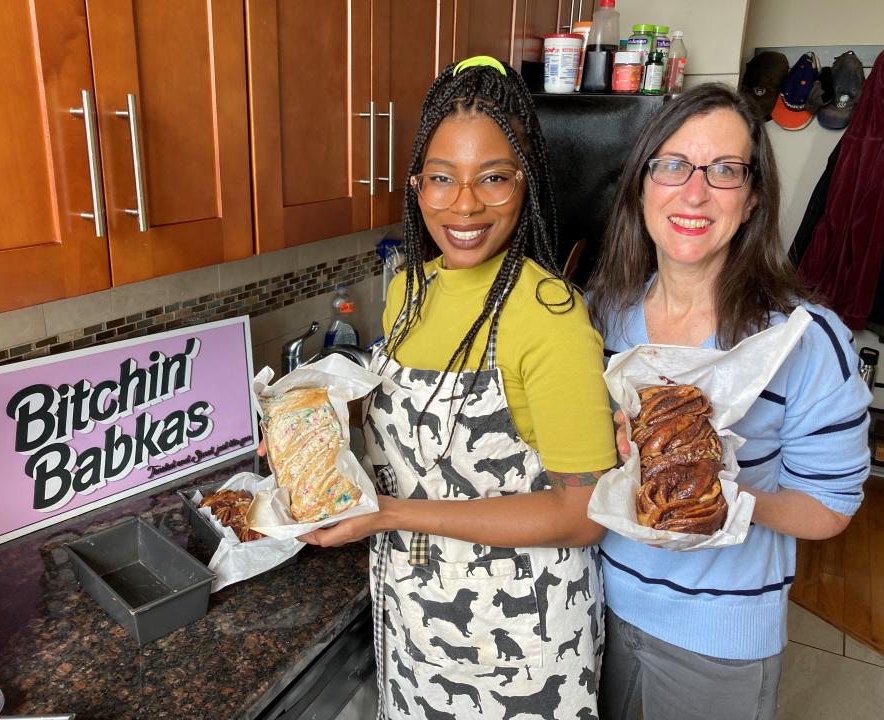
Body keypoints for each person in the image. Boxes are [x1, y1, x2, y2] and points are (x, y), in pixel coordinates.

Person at [300, 57, 616, 718]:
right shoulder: (410, 290)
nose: (464, 204)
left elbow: (583, 516)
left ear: (524, 186)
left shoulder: (549, 315)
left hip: (523, 647)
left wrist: (388, 515)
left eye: (493, 179)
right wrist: (314, 431)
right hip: (413, 617)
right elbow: (409, 431)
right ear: (417, 185)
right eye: (442, 178)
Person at [586, 83, 872, 720]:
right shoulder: (601, 315)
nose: (695, 191)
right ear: (641, 185)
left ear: (751, 200)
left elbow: (830, 510)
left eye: (725, 170)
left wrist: (712, 496)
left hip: (716, 640)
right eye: (673, 164)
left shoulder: (803, 338)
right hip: (592, 607)